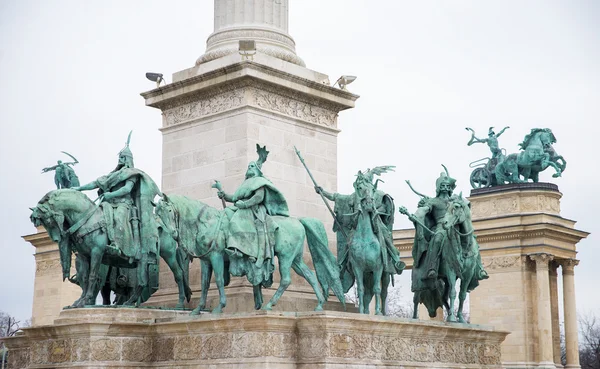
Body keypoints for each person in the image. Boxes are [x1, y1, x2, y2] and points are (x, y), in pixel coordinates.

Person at [317, 167, 405, 291]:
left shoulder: (378, 194)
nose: (361, 186)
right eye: (359, 184)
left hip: (376, 223)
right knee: (349, 242)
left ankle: (395, 260)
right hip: (358, 226)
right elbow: (337, 197)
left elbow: (386, 208)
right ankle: (343, 263)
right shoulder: (355, 196)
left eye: (363, 183)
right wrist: (322, 192)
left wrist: (375, 210)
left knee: (385, 237)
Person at [216, 144, 288, 286]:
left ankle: (240, 250)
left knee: (236, 222)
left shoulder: (259, 181)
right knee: (225, 215)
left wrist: (245, 204)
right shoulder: (246, 183)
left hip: (254, 209)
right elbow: (235, 197)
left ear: (257, 170)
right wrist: (224, 194)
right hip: (242, 207)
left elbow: (259, 197)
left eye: (252, 166)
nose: (249, 167)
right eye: (248, 166)